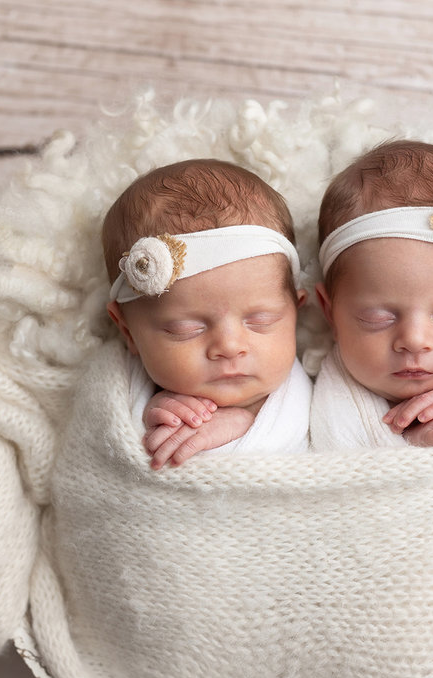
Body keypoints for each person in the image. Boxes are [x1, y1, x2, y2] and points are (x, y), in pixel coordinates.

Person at [103, 159, 310, 468]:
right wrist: (147, 415)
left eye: (260, 321)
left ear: (296, 312)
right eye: (186, 329)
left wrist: (244, 422)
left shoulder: (329, 399)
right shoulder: (117, 389)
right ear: (127, 331)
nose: (229, 347)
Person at [311, 140, 433, 451]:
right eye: (377, 317)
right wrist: (409, 441)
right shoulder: (333, 399)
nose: (414, 340)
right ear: (330, 312)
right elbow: (335, 464)